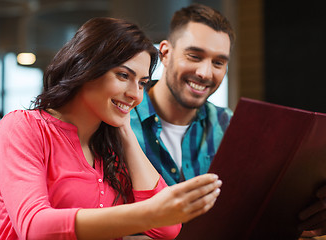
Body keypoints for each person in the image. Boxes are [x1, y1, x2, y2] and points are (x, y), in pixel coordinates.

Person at [0, 17, 223, 240]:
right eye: (123, 76)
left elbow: (167, 228)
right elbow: (35, 227)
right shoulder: (24, 127)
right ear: (86, 68)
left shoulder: (111, 144)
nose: (135, 95)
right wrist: (147, 214)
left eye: (142, 83)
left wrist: (126, 133)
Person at [130, 3, 326, 238]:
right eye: (194, 56)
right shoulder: (119, 123)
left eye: (218, 62)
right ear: (164, 52)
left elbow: (254, 208)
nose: (205, 73)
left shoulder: (231, 125)